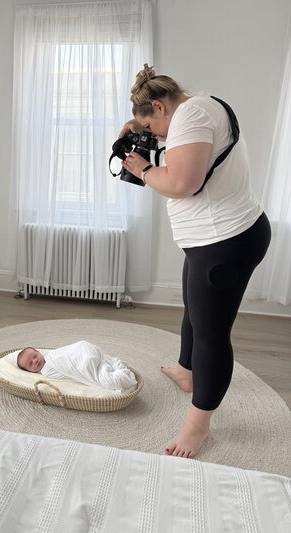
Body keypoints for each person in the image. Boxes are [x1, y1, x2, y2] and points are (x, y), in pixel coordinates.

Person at [119, 64, 271, 459]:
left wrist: (144, 168)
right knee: (195, 310)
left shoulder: (192, 116)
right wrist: (135, 127)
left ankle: (198, 425)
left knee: (211, 334)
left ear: (159, 106)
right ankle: (188, 373)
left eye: (151, 127)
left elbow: (182, 184)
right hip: (216, 238)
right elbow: (182, 148)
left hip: (224, 241)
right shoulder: (196, 108)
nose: (153, 137)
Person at [17, 340, 137, 391]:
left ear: (39, 352)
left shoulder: (51, 355)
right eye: (30, 364)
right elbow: (68, 368)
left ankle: (114, 367)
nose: (35, 361)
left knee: (106, 377)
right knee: (106, 373)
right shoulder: (46, 372)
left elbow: (69, 352)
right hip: (85, 361)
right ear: (30, 371)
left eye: (34, 356)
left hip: (84, 352)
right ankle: (117, 367)